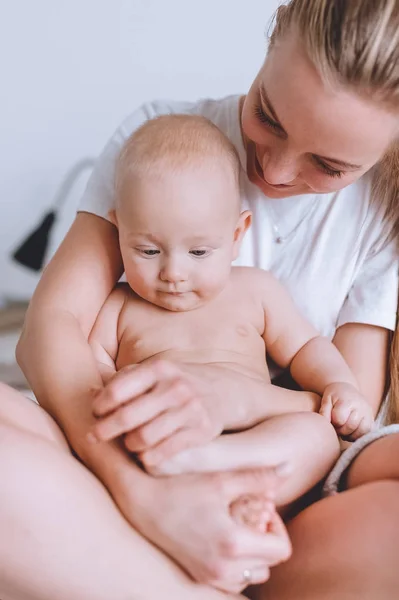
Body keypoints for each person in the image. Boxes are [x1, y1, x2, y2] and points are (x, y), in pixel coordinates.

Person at [2, 0, 399, 598]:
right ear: (273, 34)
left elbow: (346, 418)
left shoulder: (376, 217)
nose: (274, 170)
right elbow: (54, 334)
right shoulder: (157, 143)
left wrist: (230, 399)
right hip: (135, 460)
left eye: (328, 165)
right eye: (268, 116)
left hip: (284, 482)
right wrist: (144, 490)